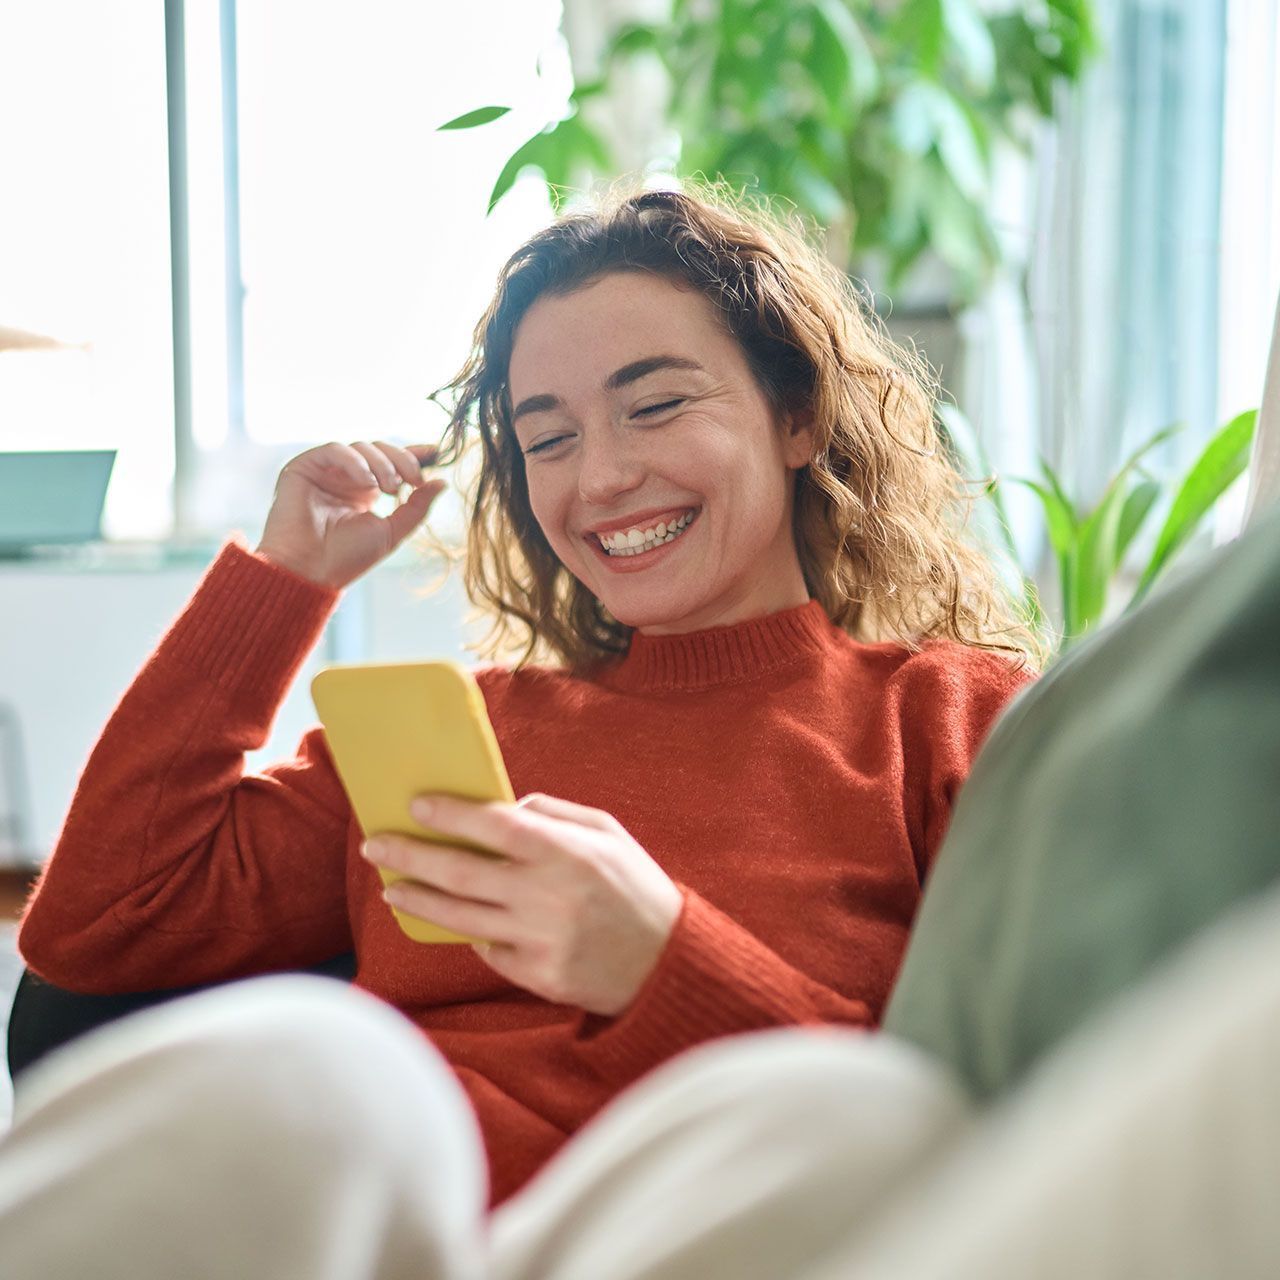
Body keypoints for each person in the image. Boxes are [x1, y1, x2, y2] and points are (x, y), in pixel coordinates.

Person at [5, 181, 1037, 1274]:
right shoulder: (470, 731)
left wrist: (662, 963)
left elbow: (988, 1126)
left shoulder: (951, 718)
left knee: (861, 1116)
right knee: (328, 1061)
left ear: (796, 416)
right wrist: (280, 586)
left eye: (654, 406)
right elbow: (96, 930)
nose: (600, 477)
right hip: (399, 1236)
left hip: (694, 1232)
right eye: (547, 438)